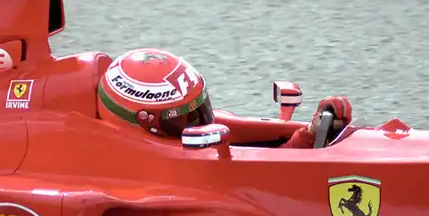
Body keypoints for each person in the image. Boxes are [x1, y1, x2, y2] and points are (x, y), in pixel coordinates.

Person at [96, 48, 352, 148]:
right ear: (147, 124)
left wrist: (312, 131)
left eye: (200, 111)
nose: (200, 125)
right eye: (185, 119)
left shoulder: (217, 123)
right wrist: (306, 137)